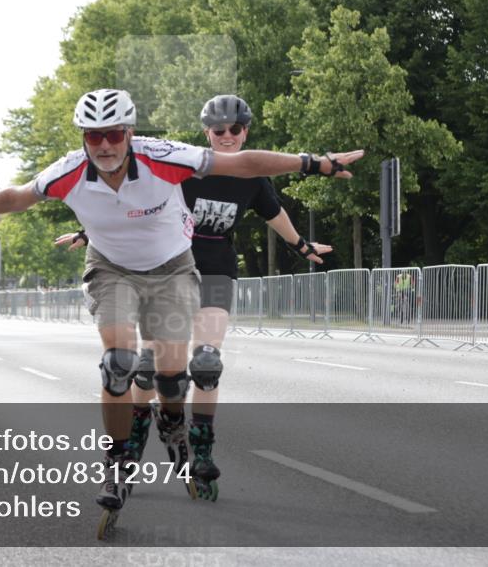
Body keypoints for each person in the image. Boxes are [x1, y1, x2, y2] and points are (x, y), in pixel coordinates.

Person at [0, 88, 362, 528]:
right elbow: (17, 196)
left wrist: (315, 163)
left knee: (172, 378)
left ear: (130, 133)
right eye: (94, 136)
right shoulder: (70, 171)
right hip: (111, 267)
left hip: (173, 268)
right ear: (83, 136)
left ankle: (173, 422)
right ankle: (118, 462)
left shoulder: (164, 156)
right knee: (118, 363)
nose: (104, 145)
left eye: (114, 134)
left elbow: (244, 165)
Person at [56, 94, 334, 501]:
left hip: (216, 269)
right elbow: (134, 202)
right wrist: (90, 233)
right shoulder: (187, 165)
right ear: (207, 132)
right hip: (167, 268)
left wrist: (301, 245)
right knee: (148, 368)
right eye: (218, 131)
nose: (227, 137)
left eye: (235, 130)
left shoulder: (253, 176)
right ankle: (131, 445)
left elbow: (274, 214)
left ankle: (201, 448)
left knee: (206, 363)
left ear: (246, 132)